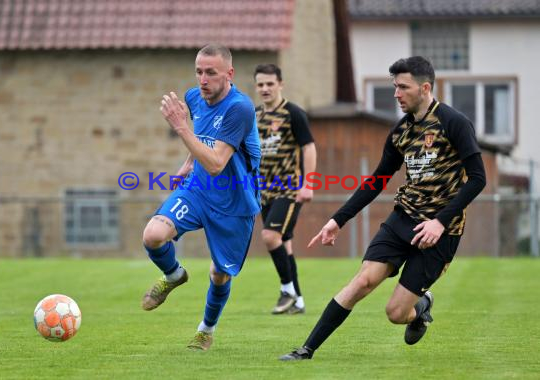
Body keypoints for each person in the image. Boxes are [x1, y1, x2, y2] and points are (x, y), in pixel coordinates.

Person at [280, 56, 486, 360]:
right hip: (403, 218)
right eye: (394, 86)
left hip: (440, 232)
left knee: (395, 312)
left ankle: (420, 309)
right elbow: (376, 180)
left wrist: (440, 222)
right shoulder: (400, 132)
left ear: (425, 87)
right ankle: (306, 350)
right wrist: (338, 220)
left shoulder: (453, 123)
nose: (396, 93)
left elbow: (478, 179)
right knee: (362, 281)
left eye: (403, 87)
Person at [141, 44, 261, 351]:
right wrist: (187, 164)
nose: (202, 80)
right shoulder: (194, 97)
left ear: (229, 74)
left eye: (211, 72)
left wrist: (181, 127)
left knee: (219, 274)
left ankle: (206, 330)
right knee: (154, 235)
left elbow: (218, 162)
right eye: (198, 72)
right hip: (198, 189)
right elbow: (203, 141)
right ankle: (174, 274)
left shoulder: (240, 108)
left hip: (234, 202)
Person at [253, 64, 317, 314]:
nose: (265, 89)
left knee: (270, 236)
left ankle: (287, 289)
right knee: (284, 244)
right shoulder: (255, 116)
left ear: (281, 84)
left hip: (289, 188)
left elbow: (308, 148)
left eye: (270, 83)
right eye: (260, 84)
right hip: (264, 191)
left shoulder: (293, 114)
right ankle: (298, 301)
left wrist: (307, 184)